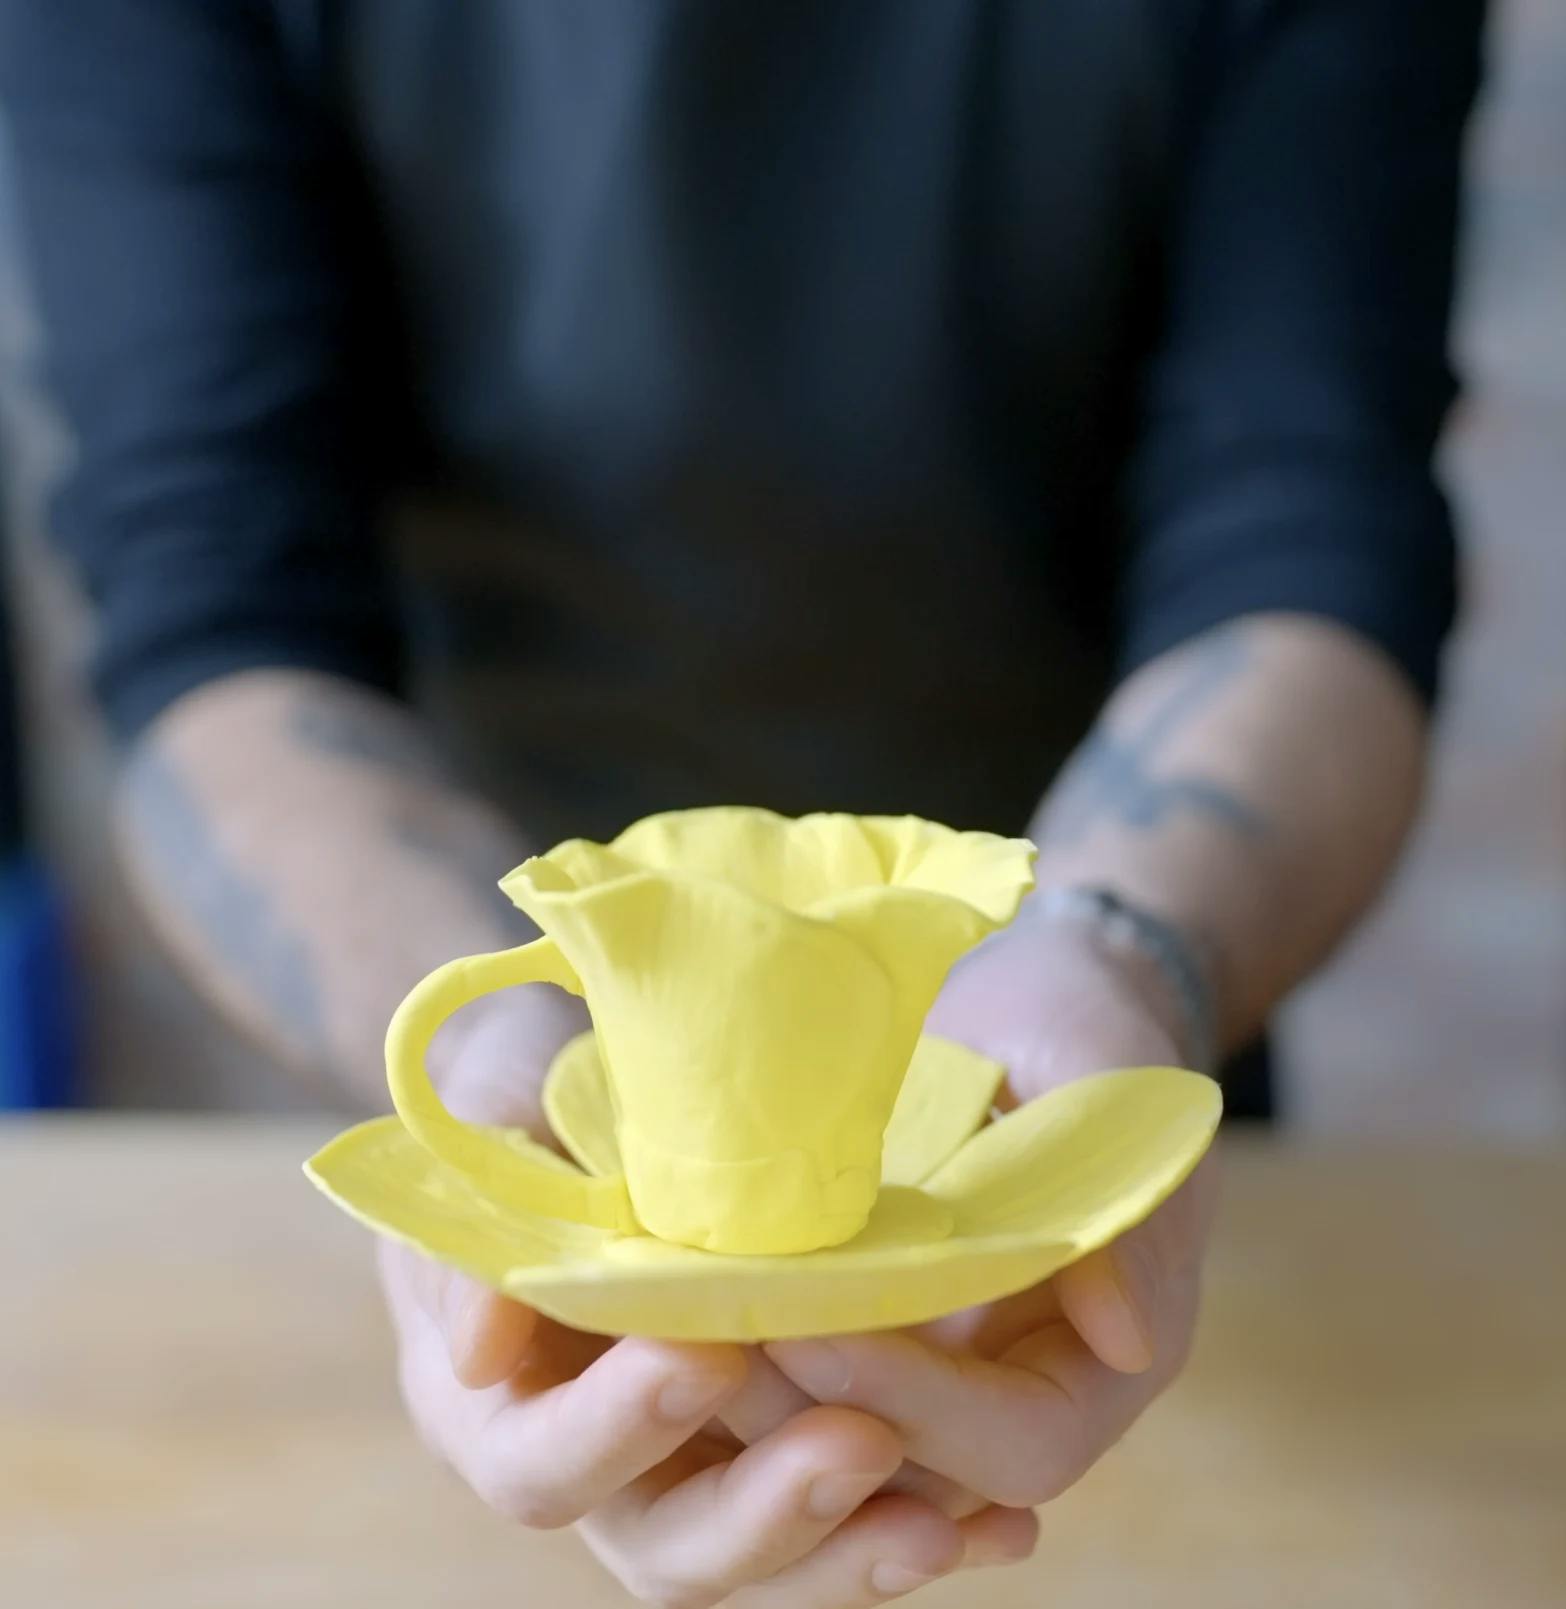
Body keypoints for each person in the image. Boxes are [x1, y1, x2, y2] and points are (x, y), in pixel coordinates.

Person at [0, 2, 1483, 1602]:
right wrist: (473, 1050)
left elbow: (1308, 524)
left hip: (1066, 1085)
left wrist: (1115, 953)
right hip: (511, 1049)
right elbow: (216, 604)